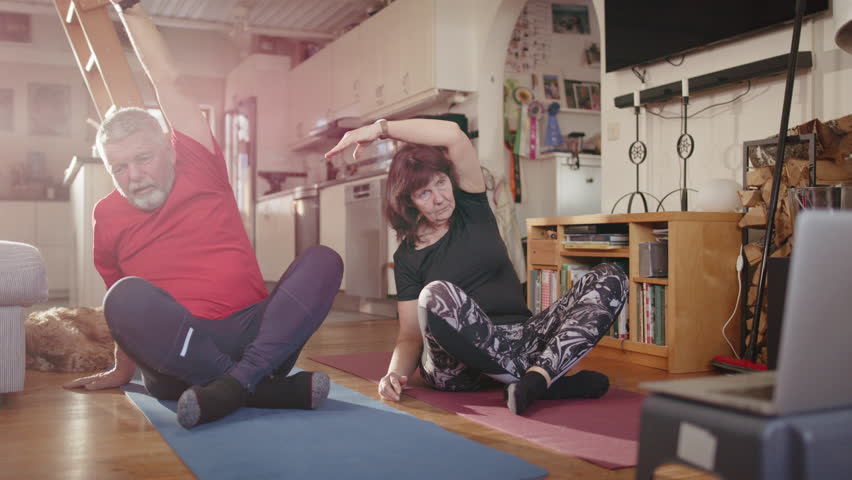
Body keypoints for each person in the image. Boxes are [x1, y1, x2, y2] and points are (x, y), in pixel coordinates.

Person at [63, 1, 343, 429]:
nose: (134, 176)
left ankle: (233, 386)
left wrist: (132, 10)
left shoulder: (198, 161)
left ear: (167, 148)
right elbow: (126, 315)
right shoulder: (107, 214)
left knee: (324, 260)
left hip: (256, 338)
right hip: (178, 361)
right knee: (121, 296)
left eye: (143, 158)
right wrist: (122, 372)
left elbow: (167, 79)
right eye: (119, 167)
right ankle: (254, 386)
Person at [324, 118, 627, 415]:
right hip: (456, 370)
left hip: (521, 339)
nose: (440, 199)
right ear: (408, 202)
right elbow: (411, 335)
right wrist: (392, 374)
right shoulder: (407, 256)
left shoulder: (472, 207)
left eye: (441, 183)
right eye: (424, 193)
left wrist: (379, 129)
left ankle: (535, 381)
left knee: (611, 277)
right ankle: (543, 378)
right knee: (435, 295)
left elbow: (454, 136)